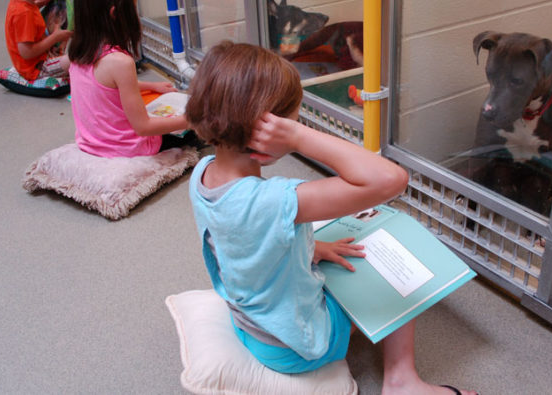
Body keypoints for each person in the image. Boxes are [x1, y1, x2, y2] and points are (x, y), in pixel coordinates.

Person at [186, 41, 477, 395]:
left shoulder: (203, 173)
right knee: (401, 272)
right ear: (268, 130)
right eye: (293, 119)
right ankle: (402, 381)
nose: (296, 124)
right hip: (294, 347)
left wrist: (313, 247)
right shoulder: (274, 200)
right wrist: (298, 137)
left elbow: (243, 240)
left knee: (339, 243)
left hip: (252, 327)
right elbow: (391, 180)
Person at [67, 0, 195, 158]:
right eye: (134, 9)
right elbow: (143, 127)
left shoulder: (77, 52)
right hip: (127, 150)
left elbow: (106, 86)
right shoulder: (120, 62)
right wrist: (191, 120)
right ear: (115, 14)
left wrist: (151, 86)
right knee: (194, 132)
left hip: (91, 143)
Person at [5, 0, 73, 81]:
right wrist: (55, 38)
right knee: (78, 58)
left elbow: (31, 8)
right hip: (37, 68)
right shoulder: (24, 14)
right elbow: (27, 53)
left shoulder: (22, 4)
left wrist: (41, 3)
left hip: (43, 56)